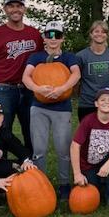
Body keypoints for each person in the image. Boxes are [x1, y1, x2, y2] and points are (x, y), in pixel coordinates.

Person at [0, 0, 43, 153]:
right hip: (4, 90)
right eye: (11, 6)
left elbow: (42, 63)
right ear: (5, 9)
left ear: (24, 9)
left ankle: (32, 165)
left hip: (29, 90)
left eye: (19, 6)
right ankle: (1, 165)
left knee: (32, 131)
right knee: (1, 131)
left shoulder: (34, 34)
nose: (15, 10)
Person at [21, 21, 81, 200]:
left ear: (62, 38)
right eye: (49, 35)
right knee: (39, 148)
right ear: (44, 38)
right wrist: (37, 89)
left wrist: (62, 89)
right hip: (39, 108)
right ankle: (41, 183)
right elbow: (26, 76)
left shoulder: (69, 57)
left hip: (62, 108)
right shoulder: (36, 57)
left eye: (57, 35)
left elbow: (76, 74)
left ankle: (64, 184)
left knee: (63, 148)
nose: (53, 39)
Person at [70, 88, 109, 208]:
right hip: (88, 163)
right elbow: (75, 146)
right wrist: (77, 174)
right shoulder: (88, 121)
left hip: (105, 159)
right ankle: (100, 182)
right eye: (102, 100)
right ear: (96, 103)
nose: (106, 102)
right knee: (93, 192)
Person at [75, 20, 109, 121]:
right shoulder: (81, 56)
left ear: (107, 35)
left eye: (103, 32)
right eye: (96, 31)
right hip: (87, 103)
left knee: (107, 131)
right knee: (87, 131)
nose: (100, 34)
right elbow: (76, 79)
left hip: (107, 103)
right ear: (91, 34)